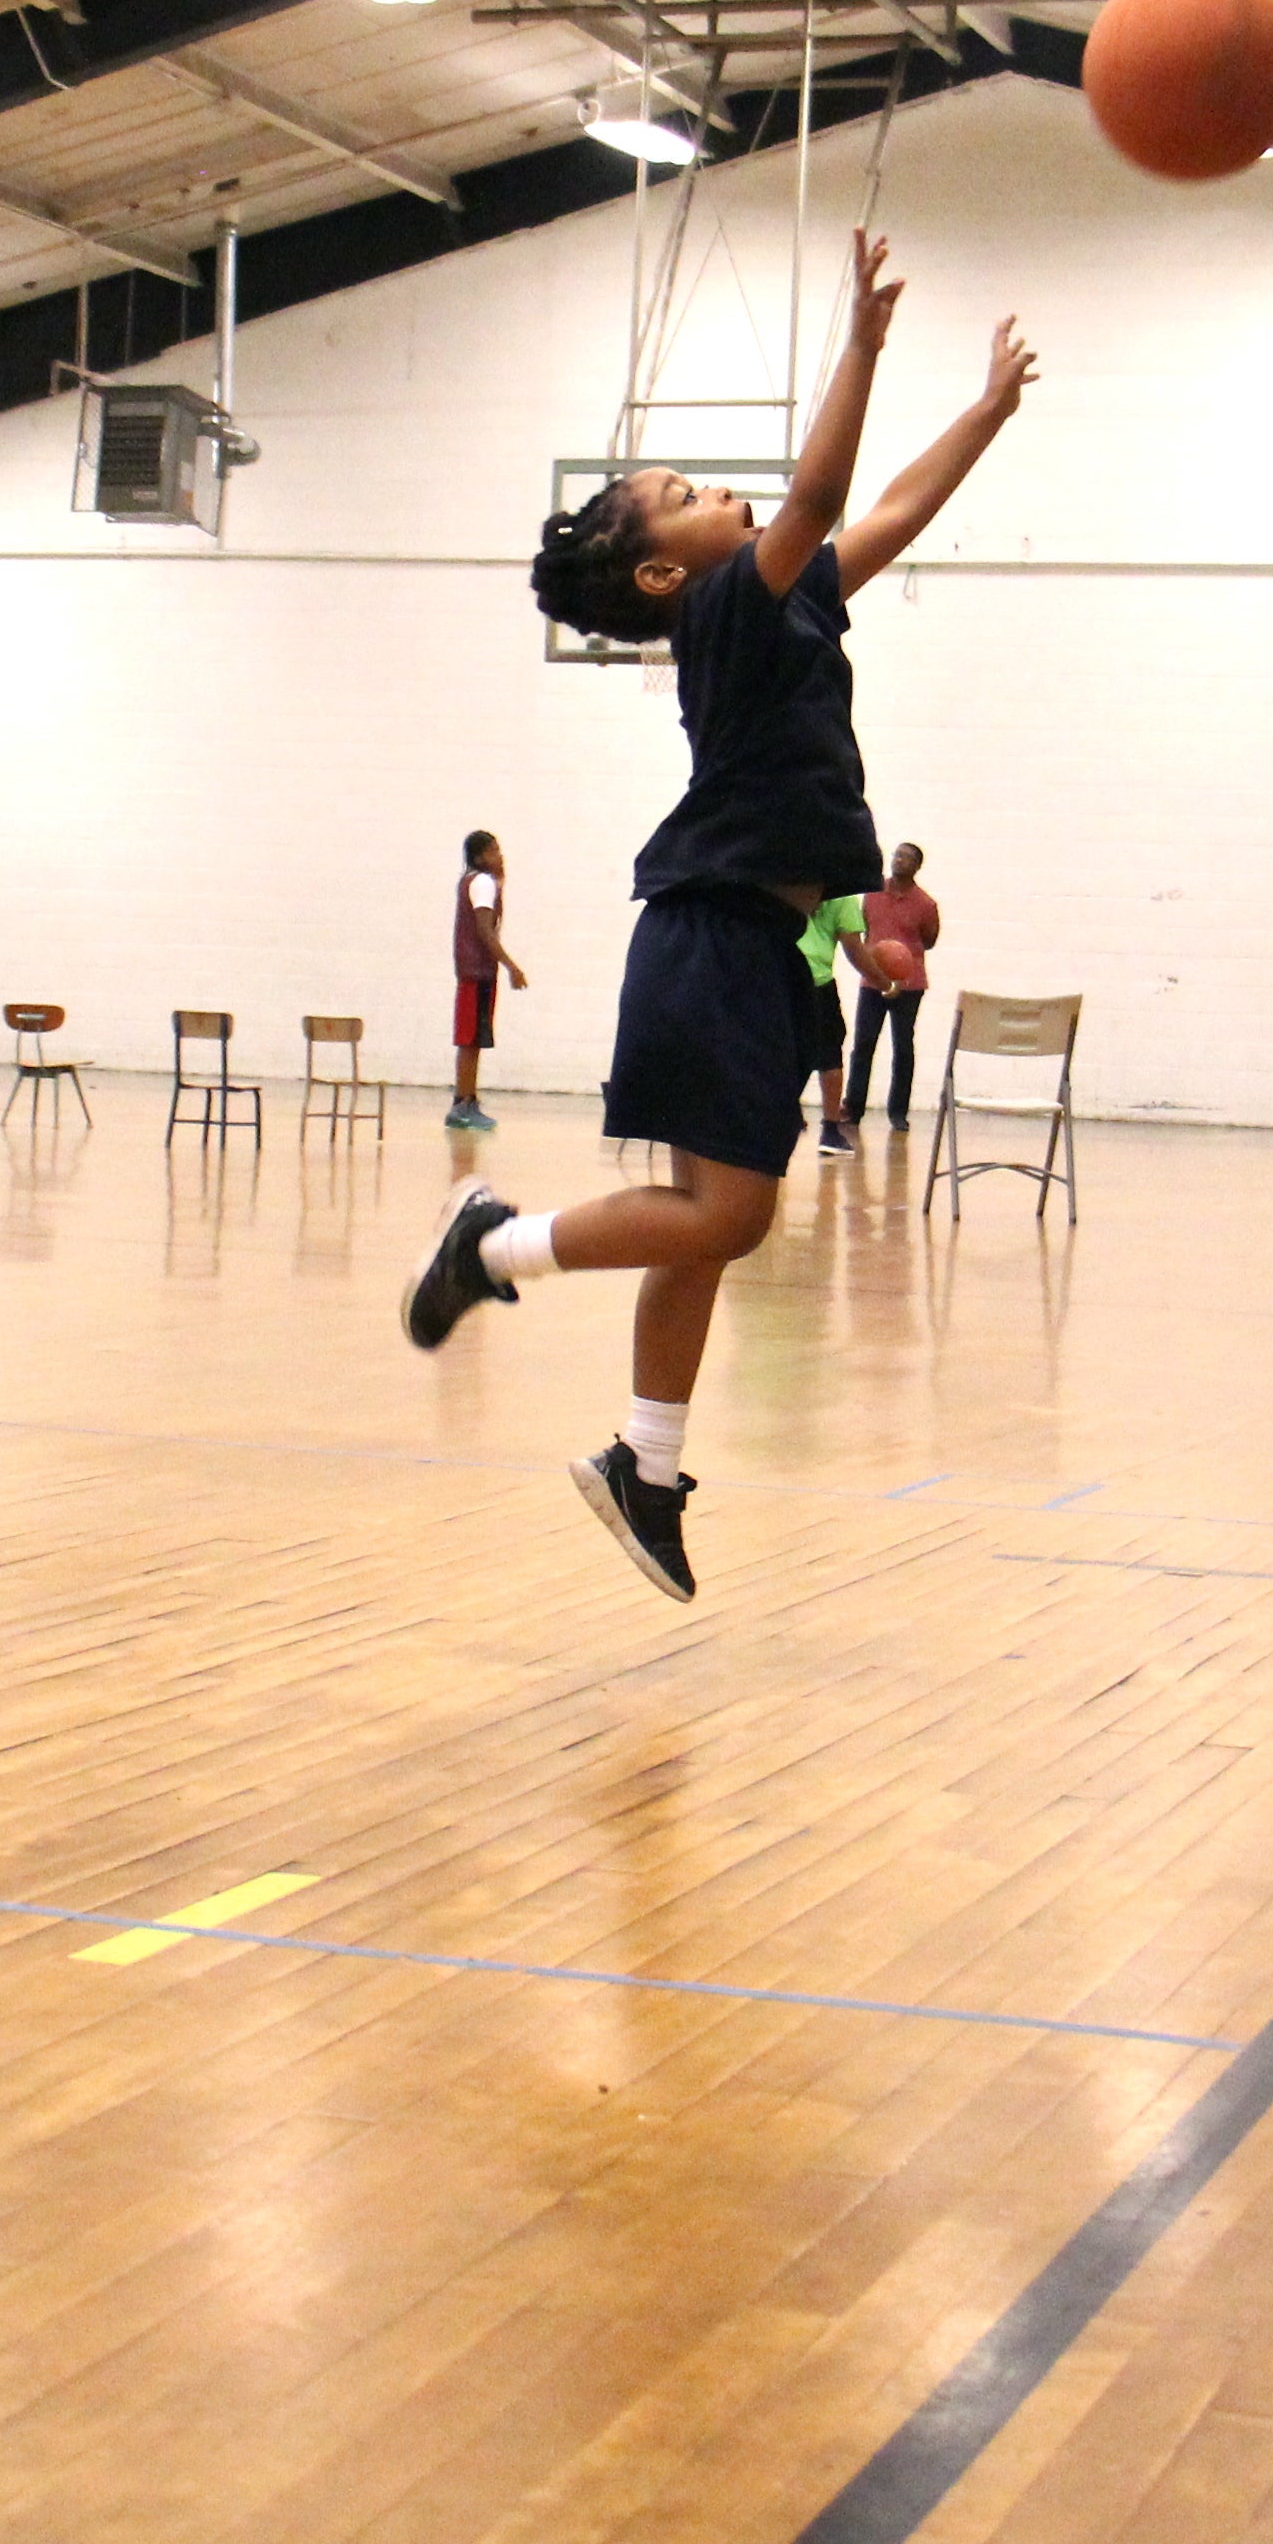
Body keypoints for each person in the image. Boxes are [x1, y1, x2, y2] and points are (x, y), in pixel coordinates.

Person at [404, 232, 1034, 1600]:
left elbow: (888, 512)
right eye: (687, 492)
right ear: (658, 578)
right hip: (710, 934)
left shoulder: (781, 603)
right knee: (724, 1220)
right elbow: (822, 486)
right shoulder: (723, 617)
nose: (724, 492)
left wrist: (982, 411)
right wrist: (861, 342)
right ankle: (493, 1244)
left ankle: (649, 1463)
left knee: (707, 1218)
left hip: (755, 937)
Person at [847, 841, 938, 1131]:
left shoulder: (926, 904)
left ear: (917, 866)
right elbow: (864, 931)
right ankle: (853, 1108)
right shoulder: (872, 894)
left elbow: (929, 940)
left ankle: (898, 1113)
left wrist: (902, 961)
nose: (900, 860)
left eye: (907, 857)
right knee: (863, 1045)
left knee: (903, 1047)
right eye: (897, 854)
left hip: (909, 985)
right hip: (873, 982)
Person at [447, 826, 524, 1130]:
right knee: (469, 1041)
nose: (499, 855)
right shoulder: (481, 883)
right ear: (479, 856)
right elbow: (484, 930)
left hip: (475, 972)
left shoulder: (480, 882)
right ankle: (463, 1103)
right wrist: (511, 966)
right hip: (477, 972)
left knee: (474, 1040)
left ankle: (467, 1100)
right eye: (493, 850)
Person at [802, 889, 866, 1156]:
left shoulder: (780, 880)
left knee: (776, 1053)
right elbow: (854, 949)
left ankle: (772, 1120)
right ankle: (830, 1131)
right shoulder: (844, 895)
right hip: (817, 983)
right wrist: (885, 982)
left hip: (778, 977)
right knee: (829, 1059)